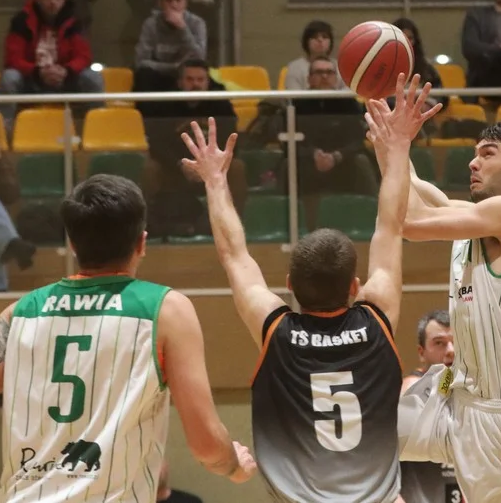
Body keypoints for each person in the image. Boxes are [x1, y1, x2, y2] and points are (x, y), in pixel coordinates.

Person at [182, 74, 441, 503]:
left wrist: (215, 180)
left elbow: (235, 256)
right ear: (355, 286)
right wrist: (397, 148)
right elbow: (391, 226)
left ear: (289, 287)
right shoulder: (376, 317)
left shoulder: (276, 331)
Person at [0, 174, 256, 503]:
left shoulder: (20, 312)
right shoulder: (166, 311)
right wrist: (232, 465)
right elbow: (205, 444)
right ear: (141, 243)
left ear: (72, 245)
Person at [397, 115, 501, 498]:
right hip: (456, 397)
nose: (473, 162)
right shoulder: (478, 220)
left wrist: (395, 147)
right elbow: (414, 188)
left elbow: (412, 222)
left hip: (496, 416)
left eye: (487, 153)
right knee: (355, 439)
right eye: (474, 154)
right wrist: (393, 137)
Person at [398, 310, 462, 503]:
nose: (450, 350)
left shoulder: (458, 387)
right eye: (439, 343)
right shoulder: (411, 389)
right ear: (421, 352)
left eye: (455, 341)